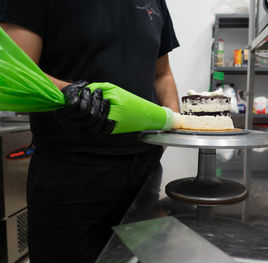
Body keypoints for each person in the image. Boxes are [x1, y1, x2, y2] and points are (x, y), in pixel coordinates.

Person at [0, 0, 180, 262]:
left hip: (145, 170)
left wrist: (172, 120)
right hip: (71, 175)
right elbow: (14, 69)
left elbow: (162, 74)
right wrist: (72, 93)